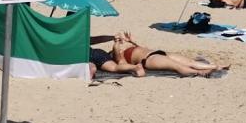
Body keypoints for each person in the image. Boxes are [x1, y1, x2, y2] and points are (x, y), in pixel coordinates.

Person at [92, 31, 227, 77]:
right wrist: (115, 45)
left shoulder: (126, 48)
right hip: (149, 59)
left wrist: (131, 41)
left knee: (191, 62)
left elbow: (141, 48)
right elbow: (121, 63)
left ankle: (216, 66)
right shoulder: (117, 57)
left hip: (157, 52)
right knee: (177, 67)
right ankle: (202, 73)